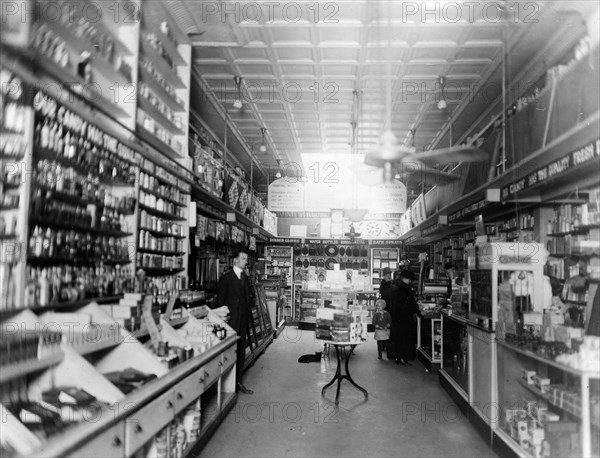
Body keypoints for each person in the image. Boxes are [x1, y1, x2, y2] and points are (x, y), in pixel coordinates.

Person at [214, 250, 253, 395]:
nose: (245, 261)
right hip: (230, 322)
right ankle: (226, 384)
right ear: (235, 260)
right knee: (230, 352)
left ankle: (238, 382)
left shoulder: (245, 277)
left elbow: (248, 298)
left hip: (242, 321)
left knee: (241, 352)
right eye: (243, 258)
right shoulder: (226, 278)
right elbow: (220, 302)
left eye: (246, 259)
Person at [392, 269, 421, 366]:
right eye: (410, 279)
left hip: (398, 317)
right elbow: (408, 303)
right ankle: (402, 358)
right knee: (405, 338)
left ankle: (399, 358)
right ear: (407, 279)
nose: (411, 281)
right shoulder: (403, 288)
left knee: (399, 338)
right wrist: (416, 308)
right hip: (404, 317)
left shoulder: (397, 286)